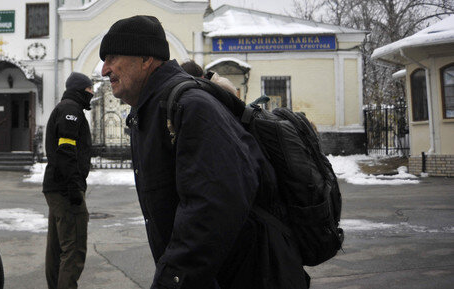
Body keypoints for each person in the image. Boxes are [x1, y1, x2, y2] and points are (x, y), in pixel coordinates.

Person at [99, 15, 309, 289]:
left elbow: (214, 206)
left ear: (146, 59)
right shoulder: (150, 111)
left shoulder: (190, 106)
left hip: (253, 276)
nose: (105, 70)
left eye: (113, 57)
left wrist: (173, 280)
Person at [42, 72, 94, 289]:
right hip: (65, 189)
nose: (92, 95)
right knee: (73, 250)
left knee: (57, 249)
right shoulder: (71, 109)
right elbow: (66, 149)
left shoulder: (66, 107)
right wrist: (74, 187)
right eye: (90, 91)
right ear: (82, 90)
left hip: (56, 187)